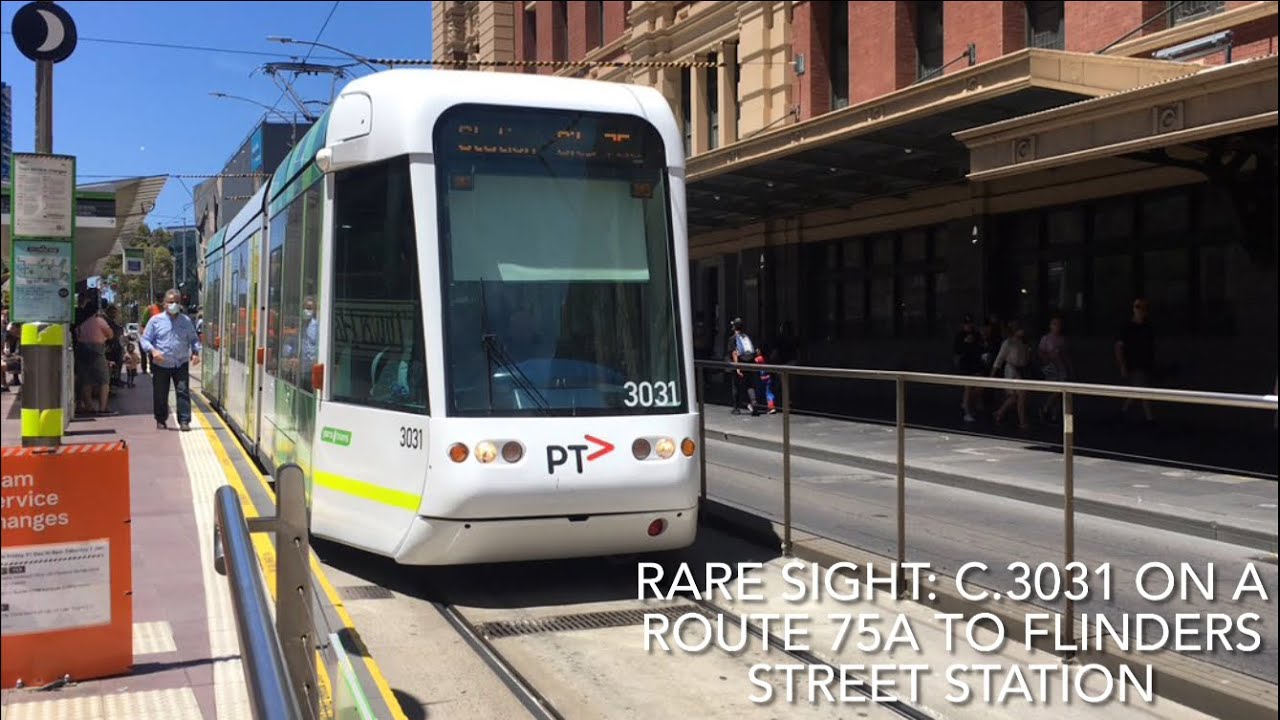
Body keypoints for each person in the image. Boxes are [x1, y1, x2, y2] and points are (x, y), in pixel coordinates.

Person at [140, 288, 202, 431]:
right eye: (170, 302)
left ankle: (184, 421)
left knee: (183, 391)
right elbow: (145, 340)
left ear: (180, 304)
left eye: (176, 302)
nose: (173, 304)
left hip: (180, 363)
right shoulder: (155, 321)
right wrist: (153, 351)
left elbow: (193, 339)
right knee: (160, 393)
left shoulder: (186, 321)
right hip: (161, 364)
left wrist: (195, 352)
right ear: (165, 303)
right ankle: (161, 420)